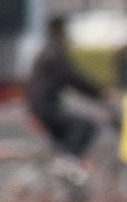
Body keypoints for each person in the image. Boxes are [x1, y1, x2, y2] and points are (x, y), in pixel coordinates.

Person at [22, 14, 108, 161]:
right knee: (85, 126)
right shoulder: (54, 54)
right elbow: (72, 78)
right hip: (45, 107)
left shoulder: (49, 50)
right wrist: (99, 93)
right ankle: (67, 163)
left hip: (42, 105)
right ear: (61, 31)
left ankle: (63, 162)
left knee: (67, 136)